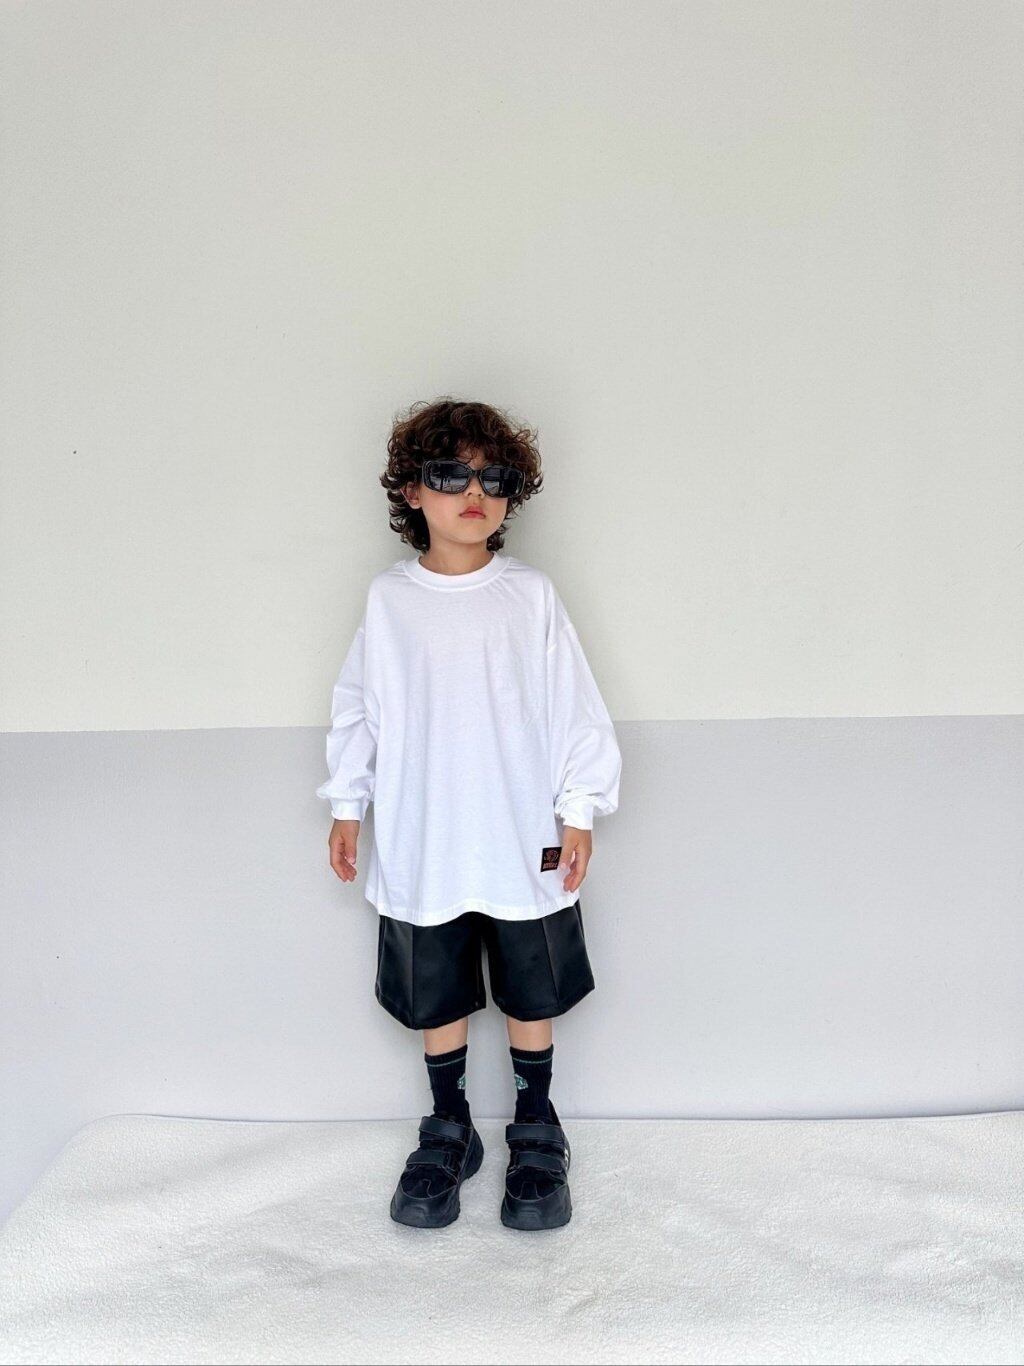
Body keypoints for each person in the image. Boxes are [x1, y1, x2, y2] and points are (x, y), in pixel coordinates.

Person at [316, 398, 621, 1231]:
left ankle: (536, 1125)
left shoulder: (530, 596)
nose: (473, 492)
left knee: (531, 979)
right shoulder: (390, 601)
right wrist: (347, 804)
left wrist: (580, 809)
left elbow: (574, 709)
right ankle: (449, 1125)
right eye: (450, 475)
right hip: (425, 834)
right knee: (436, 982)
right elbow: (360, 709)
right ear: (412, 492)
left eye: (494, 477)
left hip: (521, 833)